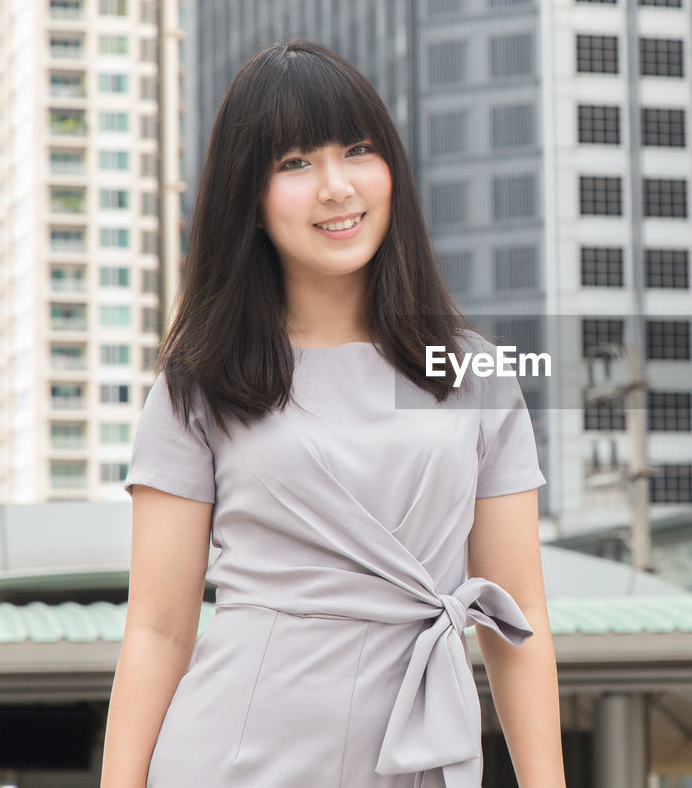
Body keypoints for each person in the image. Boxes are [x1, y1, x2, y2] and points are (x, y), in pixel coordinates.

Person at [100, 38, 565, 787]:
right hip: (234, 757)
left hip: (422, 754)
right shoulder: (201, 383)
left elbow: (521, 621)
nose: (336, 186)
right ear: (248, 198)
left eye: (357, 150)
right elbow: (157, 629)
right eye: (294, 164)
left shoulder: (473, 373)